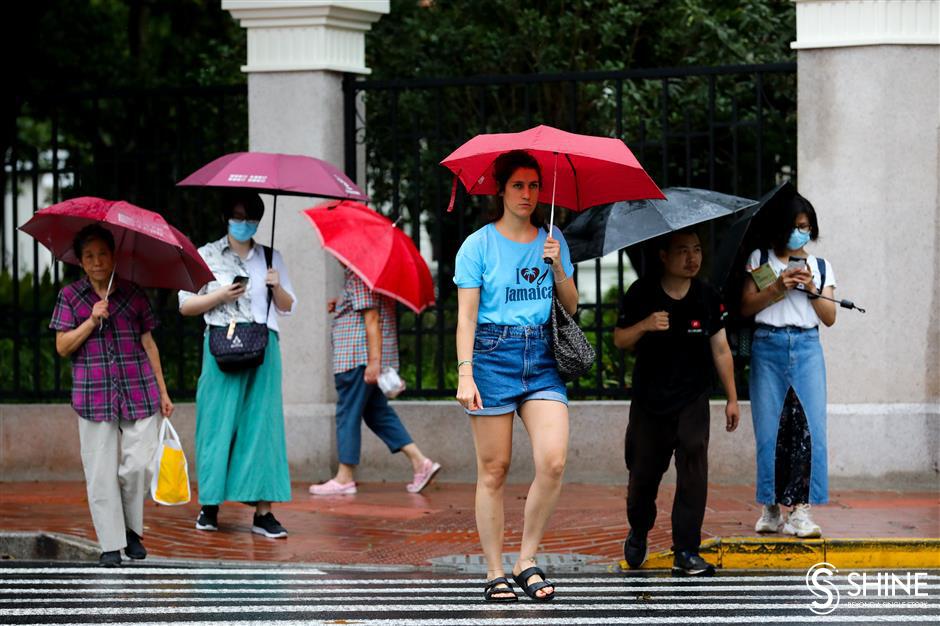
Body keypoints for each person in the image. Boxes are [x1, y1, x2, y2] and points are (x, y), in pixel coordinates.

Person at [453, 149, 578, 602]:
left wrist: (557, 264)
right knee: (494, 469)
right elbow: (466, 318)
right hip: (492, 354)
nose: (528, 194)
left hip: (542, 355)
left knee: (553, 460)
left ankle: (526, 559)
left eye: (534, 185)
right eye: (518, 186)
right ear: (501, 191)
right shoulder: (478, 245)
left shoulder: (553, 237)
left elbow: (572, 304)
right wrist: (466, 374)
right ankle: (494, 569)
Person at [614, 229, 739, 577]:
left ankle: (686, 550)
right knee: (643, 477)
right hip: (650, 403)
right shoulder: (642, 293)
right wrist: (645, 325)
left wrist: (731, 398)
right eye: (682, 250)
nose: (692, 258)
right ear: (664, 256)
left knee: (694, 471)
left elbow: (721, 348)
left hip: (693, 398)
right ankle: (639, 529)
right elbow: (620, 338)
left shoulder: (707, 296)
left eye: (697, 250)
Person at [50, 224, 174, 567]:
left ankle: (133, 530)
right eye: (89, 256)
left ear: (113, 255)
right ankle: (110, 544)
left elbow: (149, 343)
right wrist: (91, 320)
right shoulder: (70, 297)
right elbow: (62, 346)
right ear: (81, 262)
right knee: (100, 470)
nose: (97, 261)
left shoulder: (133, 294)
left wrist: (164, 392)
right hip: (94, 395)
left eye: (102, 254)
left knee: (138, 466)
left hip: (140, 390)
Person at [178, 191, 296, 538]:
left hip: (263, 346)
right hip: (220, 344)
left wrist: (276, 286)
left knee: (263, 428)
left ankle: (263, 512)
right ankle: (210, 506)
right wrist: (220, 295)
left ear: (258, 222)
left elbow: (289, 306)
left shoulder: (271, 257)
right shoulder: (206, 255)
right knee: (216, 423)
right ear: (225, 218)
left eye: (250, 218)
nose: (243, 224)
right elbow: (185, 305)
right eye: (237, 216)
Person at [741, 194, 836, 538]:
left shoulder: (821, 266)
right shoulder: (761, 259)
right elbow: (747, 306)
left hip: (808, 347)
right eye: (795, 226)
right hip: (768, 346)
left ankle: (802, 509)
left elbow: (829, 318)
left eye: (805, 226)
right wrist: (779, 287)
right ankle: (771, 507)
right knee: (770, 429)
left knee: (810, 429)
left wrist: (811, 287)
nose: (800, 232)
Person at [310, 264, 441, 496]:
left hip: (356, 358)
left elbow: (372, 318)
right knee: (377, 414)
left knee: (347, 413)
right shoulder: (376, 276)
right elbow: (368, 309)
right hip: (366, 359)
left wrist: (373, 362)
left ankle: (344, 477)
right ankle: (420, 462)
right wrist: (340, 304)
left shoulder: (359, 275)